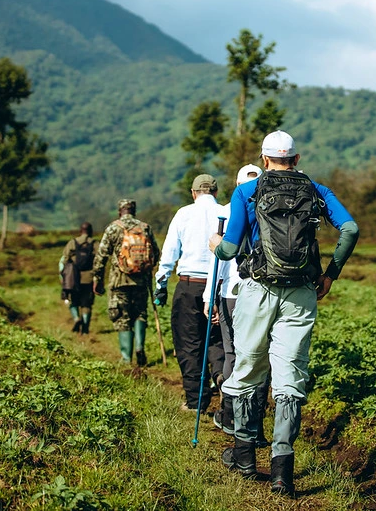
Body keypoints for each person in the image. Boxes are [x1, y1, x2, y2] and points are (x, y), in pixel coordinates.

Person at [209, 130, 359, 496]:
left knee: (247, 368)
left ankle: (244, 455)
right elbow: (350, 229)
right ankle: (282, 471)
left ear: (264, 160)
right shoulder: (317, 191)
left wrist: (216, 245)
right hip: (302, 292)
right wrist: (330, 276)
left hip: (258, 290)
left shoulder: (247, 191)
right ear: (296, 159)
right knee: (290, 378)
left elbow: (230, 249)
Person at [204, 164, 269, 445]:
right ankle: (257, 425)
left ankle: (230, 414)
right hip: (266, 290)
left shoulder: (230, 211)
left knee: (233, 354)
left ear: (237, 184)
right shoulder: (270, 209)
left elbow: (218, 260)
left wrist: (210, 298)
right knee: (261, 358)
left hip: (233, 291)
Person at [154, 174, 226, 412]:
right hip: (219, 284)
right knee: (218, 338)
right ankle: (221, 377)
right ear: (215, 193)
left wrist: (161, 284)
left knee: (189, 343)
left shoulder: (184, 213)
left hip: (190, 284)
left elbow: (170, 251)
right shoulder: (226, 213)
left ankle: (197, 401)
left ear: (194, 193)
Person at [93, 199, 160, 366]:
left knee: (122, 317)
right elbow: (156, 253)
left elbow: (101, 255)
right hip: (141, 281)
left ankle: (126, 358)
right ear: (134, 210)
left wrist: (97, 278)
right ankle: (139, 347)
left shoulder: (113, 228)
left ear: (119, 211)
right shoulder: (145, 228)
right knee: (140, 314)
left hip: (119, 281)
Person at [59, 222, 97, 334]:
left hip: (73, 279)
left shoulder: (72, 243)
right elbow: (100, 261)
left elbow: (65, 259)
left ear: (80, 231)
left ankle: (76, 318)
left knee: (73, 301)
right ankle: (85, 328)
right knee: (86, 304)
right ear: (90, 231)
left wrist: (64, 276)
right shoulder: (94, 243)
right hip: (89, 278)